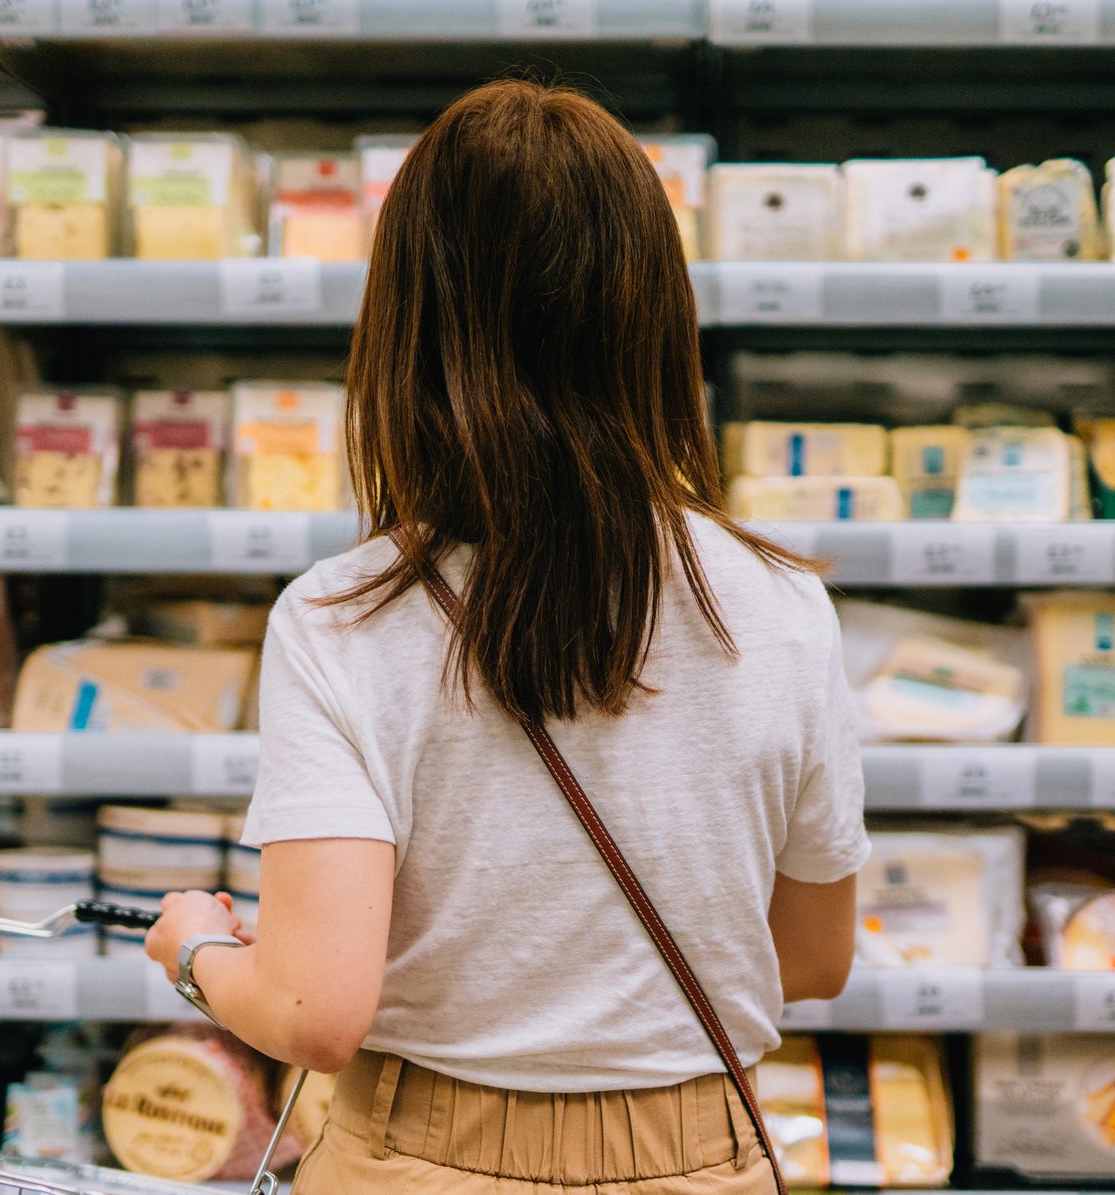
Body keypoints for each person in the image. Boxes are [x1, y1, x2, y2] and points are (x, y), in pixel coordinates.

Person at [144, 78, 869, 1195]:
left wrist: (193, 944)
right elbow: (813, 960)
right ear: (652, 314)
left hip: (419, 1159)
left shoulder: (345, 617)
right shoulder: (778, 605)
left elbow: (311, 1010)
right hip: (696, 1151)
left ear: (407, 321)